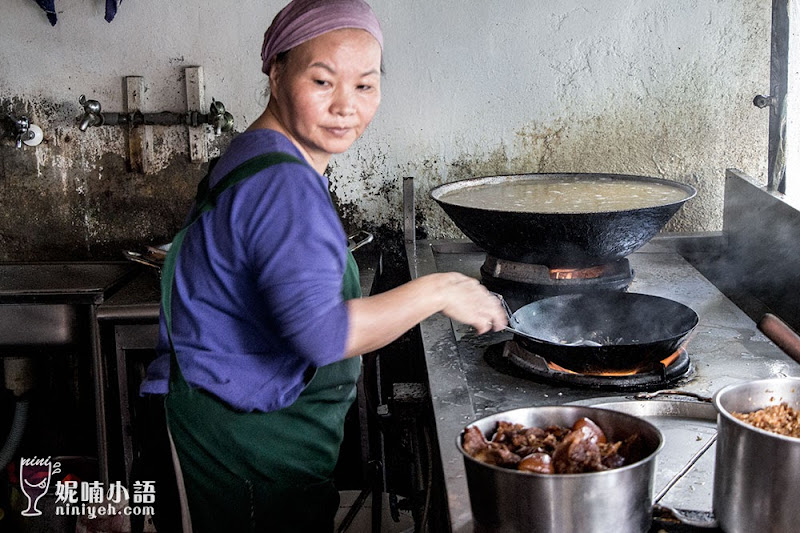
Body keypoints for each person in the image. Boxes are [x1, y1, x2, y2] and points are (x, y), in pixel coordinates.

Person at [139, 0, 507, 531]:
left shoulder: (255, 151)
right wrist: (439, 291)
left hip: (237, 427)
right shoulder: (284, 185)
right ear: (276, 73)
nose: (346, 106)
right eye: (322, 81)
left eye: (365, 85)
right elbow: (321, 333)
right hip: (235, 448)